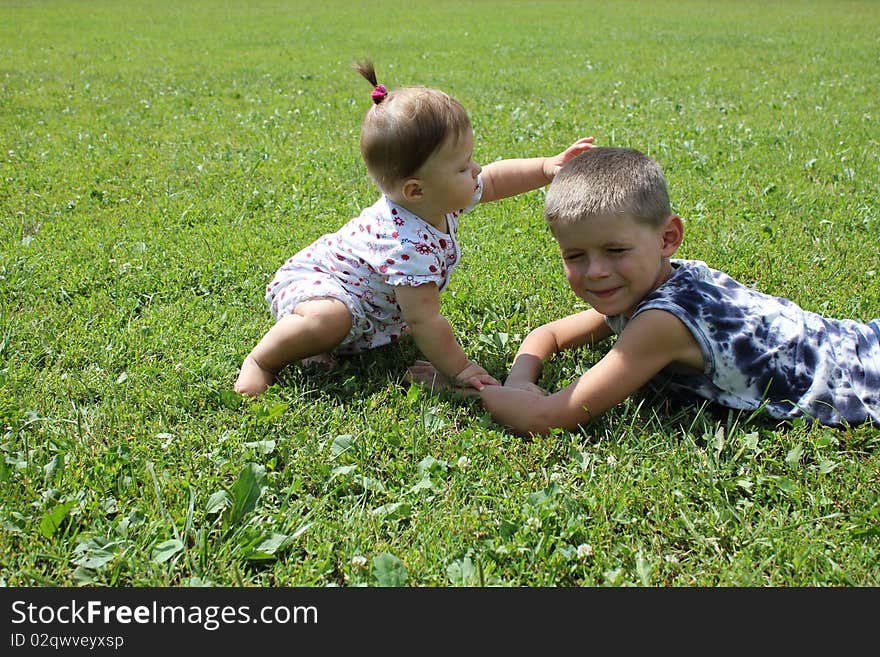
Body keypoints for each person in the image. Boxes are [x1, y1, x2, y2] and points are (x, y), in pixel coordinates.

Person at [409, 146, 880, 436]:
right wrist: (517, 382)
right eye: (576, 257)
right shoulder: (655, 281)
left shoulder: (660, 323)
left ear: (667, 238)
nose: (595, 272)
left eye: (616, 250)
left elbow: (548, 418)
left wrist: (471, 392)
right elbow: (546, 335)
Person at [233, 60, 594, 397]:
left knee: (340, 323)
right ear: (416, 189)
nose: (476, 169)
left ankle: (316, 349)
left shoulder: (435, 198)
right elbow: (424, 319)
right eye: (463, 166)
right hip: (319, 284)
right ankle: (263, 359)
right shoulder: (405, 244)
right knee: (330, 318)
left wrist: (548, 166)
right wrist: (460, 369)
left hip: (361, 299)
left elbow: (496, 180)